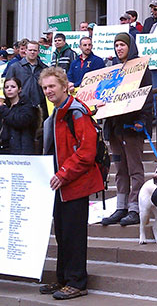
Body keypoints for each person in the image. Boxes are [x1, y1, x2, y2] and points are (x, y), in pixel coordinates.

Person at [39, 67, 103, 300]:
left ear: (65, 86)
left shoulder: (75, 112)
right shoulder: (57, 112)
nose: (48, 91)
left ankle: (77, 282)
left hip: (74, 182)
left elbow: (87, 152)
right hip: (61, 184)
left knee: (74, 234)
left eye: (52, 86)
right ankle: (63, 278)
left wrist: (64, 172)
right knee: (63, 233)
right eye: (45, 87)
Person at [100, 33, 153, 227]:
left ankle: (135, 208)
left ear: (130, 46)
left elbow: (147, 96)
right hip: (115, 127)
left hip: (132, 127)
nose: (119, 48)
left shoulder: (141, 68)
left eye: (122, 44)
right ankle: (121, 207)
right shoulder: (112, 69)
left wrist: (143, 120)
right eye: (116, 45)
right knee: (120, 169)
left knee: (134, 168)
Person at [0, 77, 40, 155]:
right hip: (0, 150)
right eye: (6, 87)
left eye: (13, 87)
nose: (9, 89)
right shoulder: (4, 106)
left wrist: (2, 109)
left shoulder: (26, 105)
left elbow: (20, 121)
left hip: (18, 150)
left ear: (19, 89)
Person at [4, 41, 49, 118]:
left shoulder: (44, 69)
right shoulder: (15, 67)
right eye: (30, 50)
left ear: (38, 52)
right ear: (26, 51)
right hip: (20, 107)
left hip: (40, 107)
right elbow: (6, 87)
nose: (32, 52)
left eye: (35, 50)